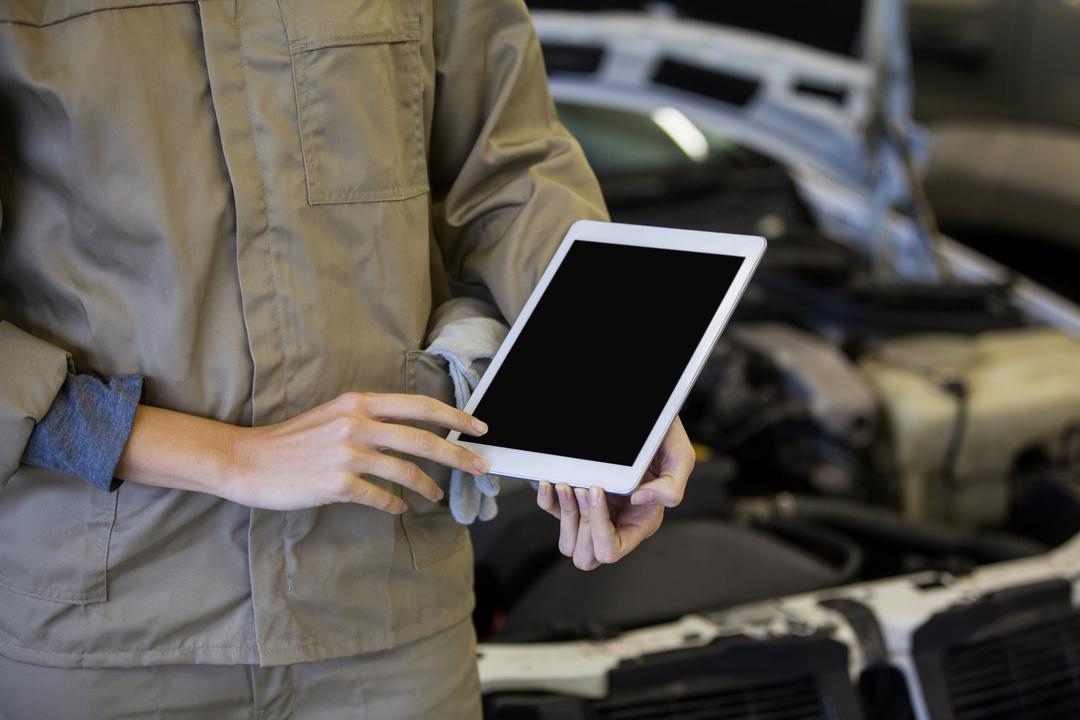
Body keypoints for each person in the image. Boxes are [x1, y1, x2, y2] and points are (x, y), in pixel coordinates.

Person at [0, 0, 695, 717]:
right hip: (103, 628)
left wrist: (626, 383)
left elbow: (509, 170)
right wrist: (232, 457)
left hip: (389, 612)